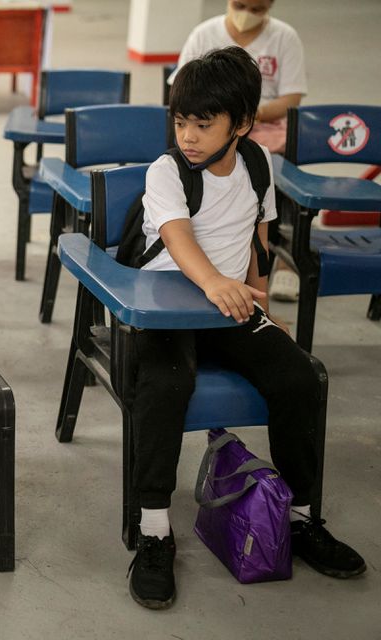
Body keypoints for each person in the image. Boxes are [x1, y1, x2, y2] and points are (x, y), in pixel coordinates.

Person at [128, 47, 365, 611]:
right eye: (180, 121)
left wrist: (261, 304)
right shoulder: (167, 172)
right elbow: (179, 238)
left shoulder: (258, 165)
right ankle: (155, 531)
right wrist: (213, 283)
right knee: (165, 387)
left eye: (202, 124)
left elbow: (255, 243)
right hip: (165, 311)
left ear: (241, 124)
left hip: (231, 306)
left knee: (299, 379)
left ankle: (302, 518)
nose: (187, 135)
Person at [170, 0, 308, 302]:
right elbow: (184, 96)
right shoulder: (203, 34)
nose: (246, 13)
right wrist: (209, 122)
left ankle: (286, 256)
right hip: (228, 123)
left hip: (264, 127)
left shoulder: (285, 37)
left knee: (272, 171)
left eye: (256, 8)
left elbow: (292, 96)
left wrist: (263, 310)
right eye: (240, 4)